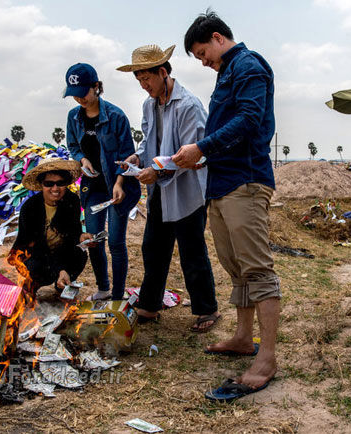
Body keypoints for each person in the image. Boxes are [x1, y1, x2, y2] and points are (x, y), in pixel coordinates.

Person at [173, 10, 280, 401]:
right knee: (236, 267)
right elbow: (225, 130)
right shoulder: (227, 73)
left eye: (203, 52)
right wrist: (204, 157)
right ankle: (242, 337)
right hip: (221, 183)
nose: (203, 61)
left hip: (245, 182)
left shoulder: (248, 66)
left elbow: (251, 121)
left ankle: (266, 358)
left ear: (218, 38)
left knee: (256, 268)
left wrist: (203, 146)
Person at [116, 44, 220, 332]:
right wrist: (137, 158)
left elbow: (191, 154)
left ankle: (206, 309)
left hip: (187, 189)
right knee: (153, 247)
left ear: (163, 72)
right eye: (139, 81)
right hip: (160, 189)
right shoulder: (149, 105)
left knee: (192, 251)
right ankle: (149, 305)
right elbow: (148, 140)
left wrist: (156, 169)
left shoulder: (189, 105)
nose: (144, 85)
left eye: (146, 79)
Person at [64, 63, 141, 301]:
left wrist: (119, 183)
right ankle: (103, 288)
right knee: (95, 240)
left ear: (97, 87)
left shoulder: (116, 116)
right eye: (74, 94)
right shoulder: (73, 117)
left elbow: (128, 155)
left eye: (84, 92)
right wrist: (82, 159)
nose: (79, 98)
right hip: (92, 189)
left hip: (118, 187)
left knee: (116, 242)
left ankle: (117, 295)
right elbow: (73, 146)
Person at [9, 158, 88, 296]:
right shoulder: (30, 208)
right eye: (49, 184)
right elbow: (33, 246)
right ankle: (32, 285)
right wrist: (59, 270)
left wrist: (82, 237)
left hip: (61, 251)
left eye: (60, 183)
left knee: (80, 254)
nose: (55, 189)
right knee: (34, 267)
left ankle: (63, 285)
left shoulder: (72, 201)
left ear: (66, 184)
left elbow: (72, 237)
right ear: (41, 185)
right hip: (35, 254)